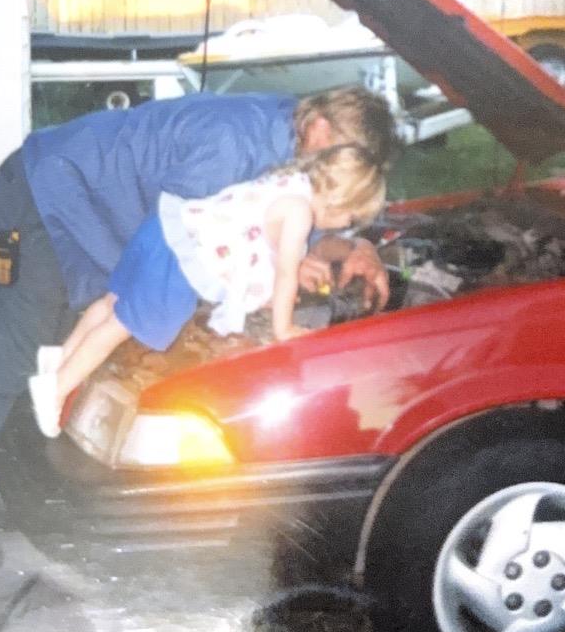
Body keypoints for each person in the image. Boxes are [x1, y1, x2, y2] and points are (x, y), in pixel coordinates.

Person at [0, 86, 396, 573]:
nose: (342, 166)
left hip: (88, 221)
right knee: (2, 372)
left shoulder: (291, 142)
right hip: (46, 198)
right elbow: (180, 236)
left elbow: (277, 222)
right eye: (347, 154)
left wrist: (344, 249)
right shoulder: (233, 139)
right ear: (321, 130)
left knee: (60, 361)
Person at [27, 143, 386, 436]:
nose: (345, 226)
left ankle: (59, 359)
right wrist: (284, 328)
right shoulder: (300, 213)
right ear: (341, 203)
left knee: (112, 303)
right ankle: (56, 390)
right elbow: (286, 274)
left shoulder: (291, 182)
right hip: (184, 261)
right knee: (125, 325)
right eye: (350, 220)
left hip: (165, 228)